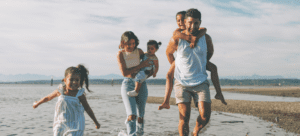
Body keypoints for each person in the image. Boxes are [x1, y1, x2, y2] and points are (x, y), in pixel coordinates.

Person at [162, 8, 222, 136]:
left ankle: (195, 131)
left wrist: (202, 62)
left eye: (196, 23)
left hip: (200, 82)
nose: (192, 26)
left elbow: (210, 52)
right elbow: (168, 52)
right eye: (189, 22)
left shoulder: (206, 38)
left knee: (205, 116)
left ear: (200, 23)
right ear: (185, 21)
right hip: (181, 83)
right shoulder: (177, 39)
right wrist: (175, 64)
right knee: (184, 118)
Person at [33, 64, 100, 136]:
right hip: (60, 123)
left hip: (76, 124)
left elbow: (87, 108)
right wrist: (37, 103)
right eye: (71, 79)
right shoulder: (60, 91)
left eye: (77, 80)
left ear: (80, 81)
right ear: (64, 80)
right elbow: (48, 98)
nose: (74, 82)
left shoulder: (79, 94)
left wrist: (95, 121)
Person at [117, 31, 151, 136]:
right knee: (132, 115)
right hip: (128, 84)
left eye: (133, 43)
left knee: (140, 116)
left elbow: (149, 61)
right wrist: (140, 66)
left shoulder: (139, 51)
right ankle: (131, 134)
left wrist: (149, 71)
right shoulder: (121, 54)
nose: (131, 46)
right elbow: (125, 73)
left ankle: (139, 134)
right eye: (128, 44)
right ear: (123, 43)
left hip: (141, 84)